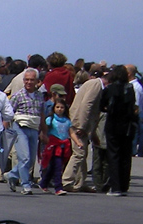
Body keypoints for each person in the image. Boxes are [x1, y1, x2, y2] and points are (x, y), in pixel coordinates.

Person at [62, 64, 107, 192]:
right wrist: (82, 125)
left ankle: (80, 182)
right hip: (78, 123)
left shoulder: (92, 83)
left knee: (83, 154)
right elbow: (87, 105)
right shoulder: (96, 85)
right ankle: (66, 180)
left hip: (81, 122)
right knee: (79, 153)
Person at [5, 68, 46, 194]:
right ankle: (25, 184)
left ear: (37, 81)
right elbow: (8, 112)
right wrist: (5, 127)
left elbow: (42, 114)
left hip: (33, 128)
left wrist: (44, 131)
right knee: (25, 157)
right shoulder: (18, 95)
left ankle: (12, 174)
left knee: (31, 159)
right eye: (27, 80)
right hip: (20, 127)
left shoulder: (40, 96)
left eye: (32, 80)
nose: (29, 82)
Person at [102, 64, 137, 196]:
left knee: (113, 155)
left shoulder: (109, 89)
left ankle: (115, 187)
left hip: (112, 124)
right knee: (125, 156)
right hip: (127, 125)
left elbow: (101, 105)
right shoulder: (130, 88)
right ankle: (123, 186)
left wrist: (108, 109)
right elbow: (132, 106)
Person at [39, 98, 73, 195]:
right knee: (58, 167)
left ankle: (43, 183)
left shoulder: (67, 121)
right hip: (52, 147)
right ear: (54, 108)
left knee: (53, 167)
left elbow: (71, 133)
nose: (59, 109)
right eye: (57, 107)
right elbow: (44, 128)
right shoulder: (51, 119)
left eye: (62, 107)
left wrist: (78, 142)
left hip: (63, 147)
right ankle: (58, 188)